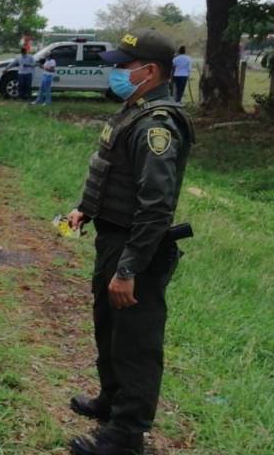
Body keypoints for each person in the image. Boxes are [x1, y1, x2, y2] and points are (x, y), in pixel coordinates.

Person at [65, 29, 194, 455]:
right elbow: (112, 172)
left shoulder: (158, 126)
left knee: (136, 342)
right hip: (113, 239)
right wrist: (86, 209)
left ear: (149, 71)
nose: (117, 72)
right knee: (109, 328)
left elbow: (156, 206)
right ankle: (111, 400)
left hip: (136, 248)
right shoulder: (133, 111)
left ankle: (126, 435)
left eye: (124, 65)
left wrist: (128, 269)